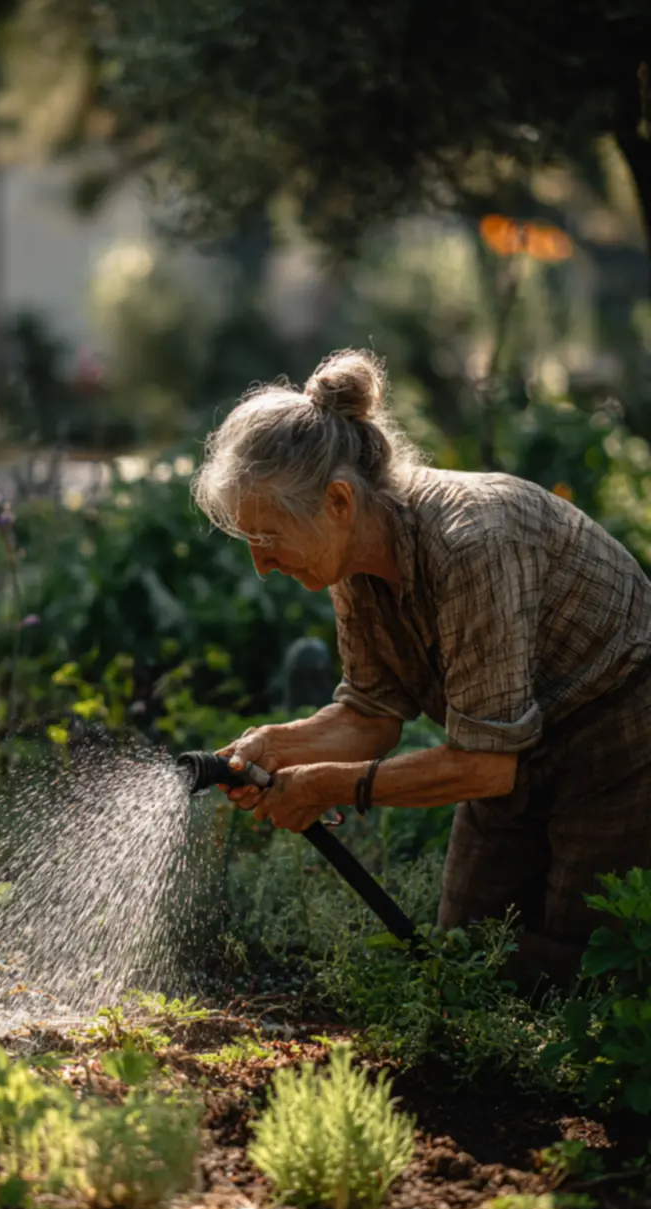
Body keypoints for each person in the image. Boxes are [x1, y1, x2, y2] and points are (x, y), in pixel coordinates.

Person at [193, 348, 651, 983]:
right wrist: (279, 746)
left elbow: (486, 767)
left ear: (339, 501)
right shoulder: (352, 562)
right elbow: (371, 713)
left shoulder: (473, 544)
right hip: (510, 745)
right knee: (467, 955)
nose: (261, 566)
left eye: (269, 541)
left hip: (617, 745)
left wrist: (329, 785)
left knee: (577, 971)